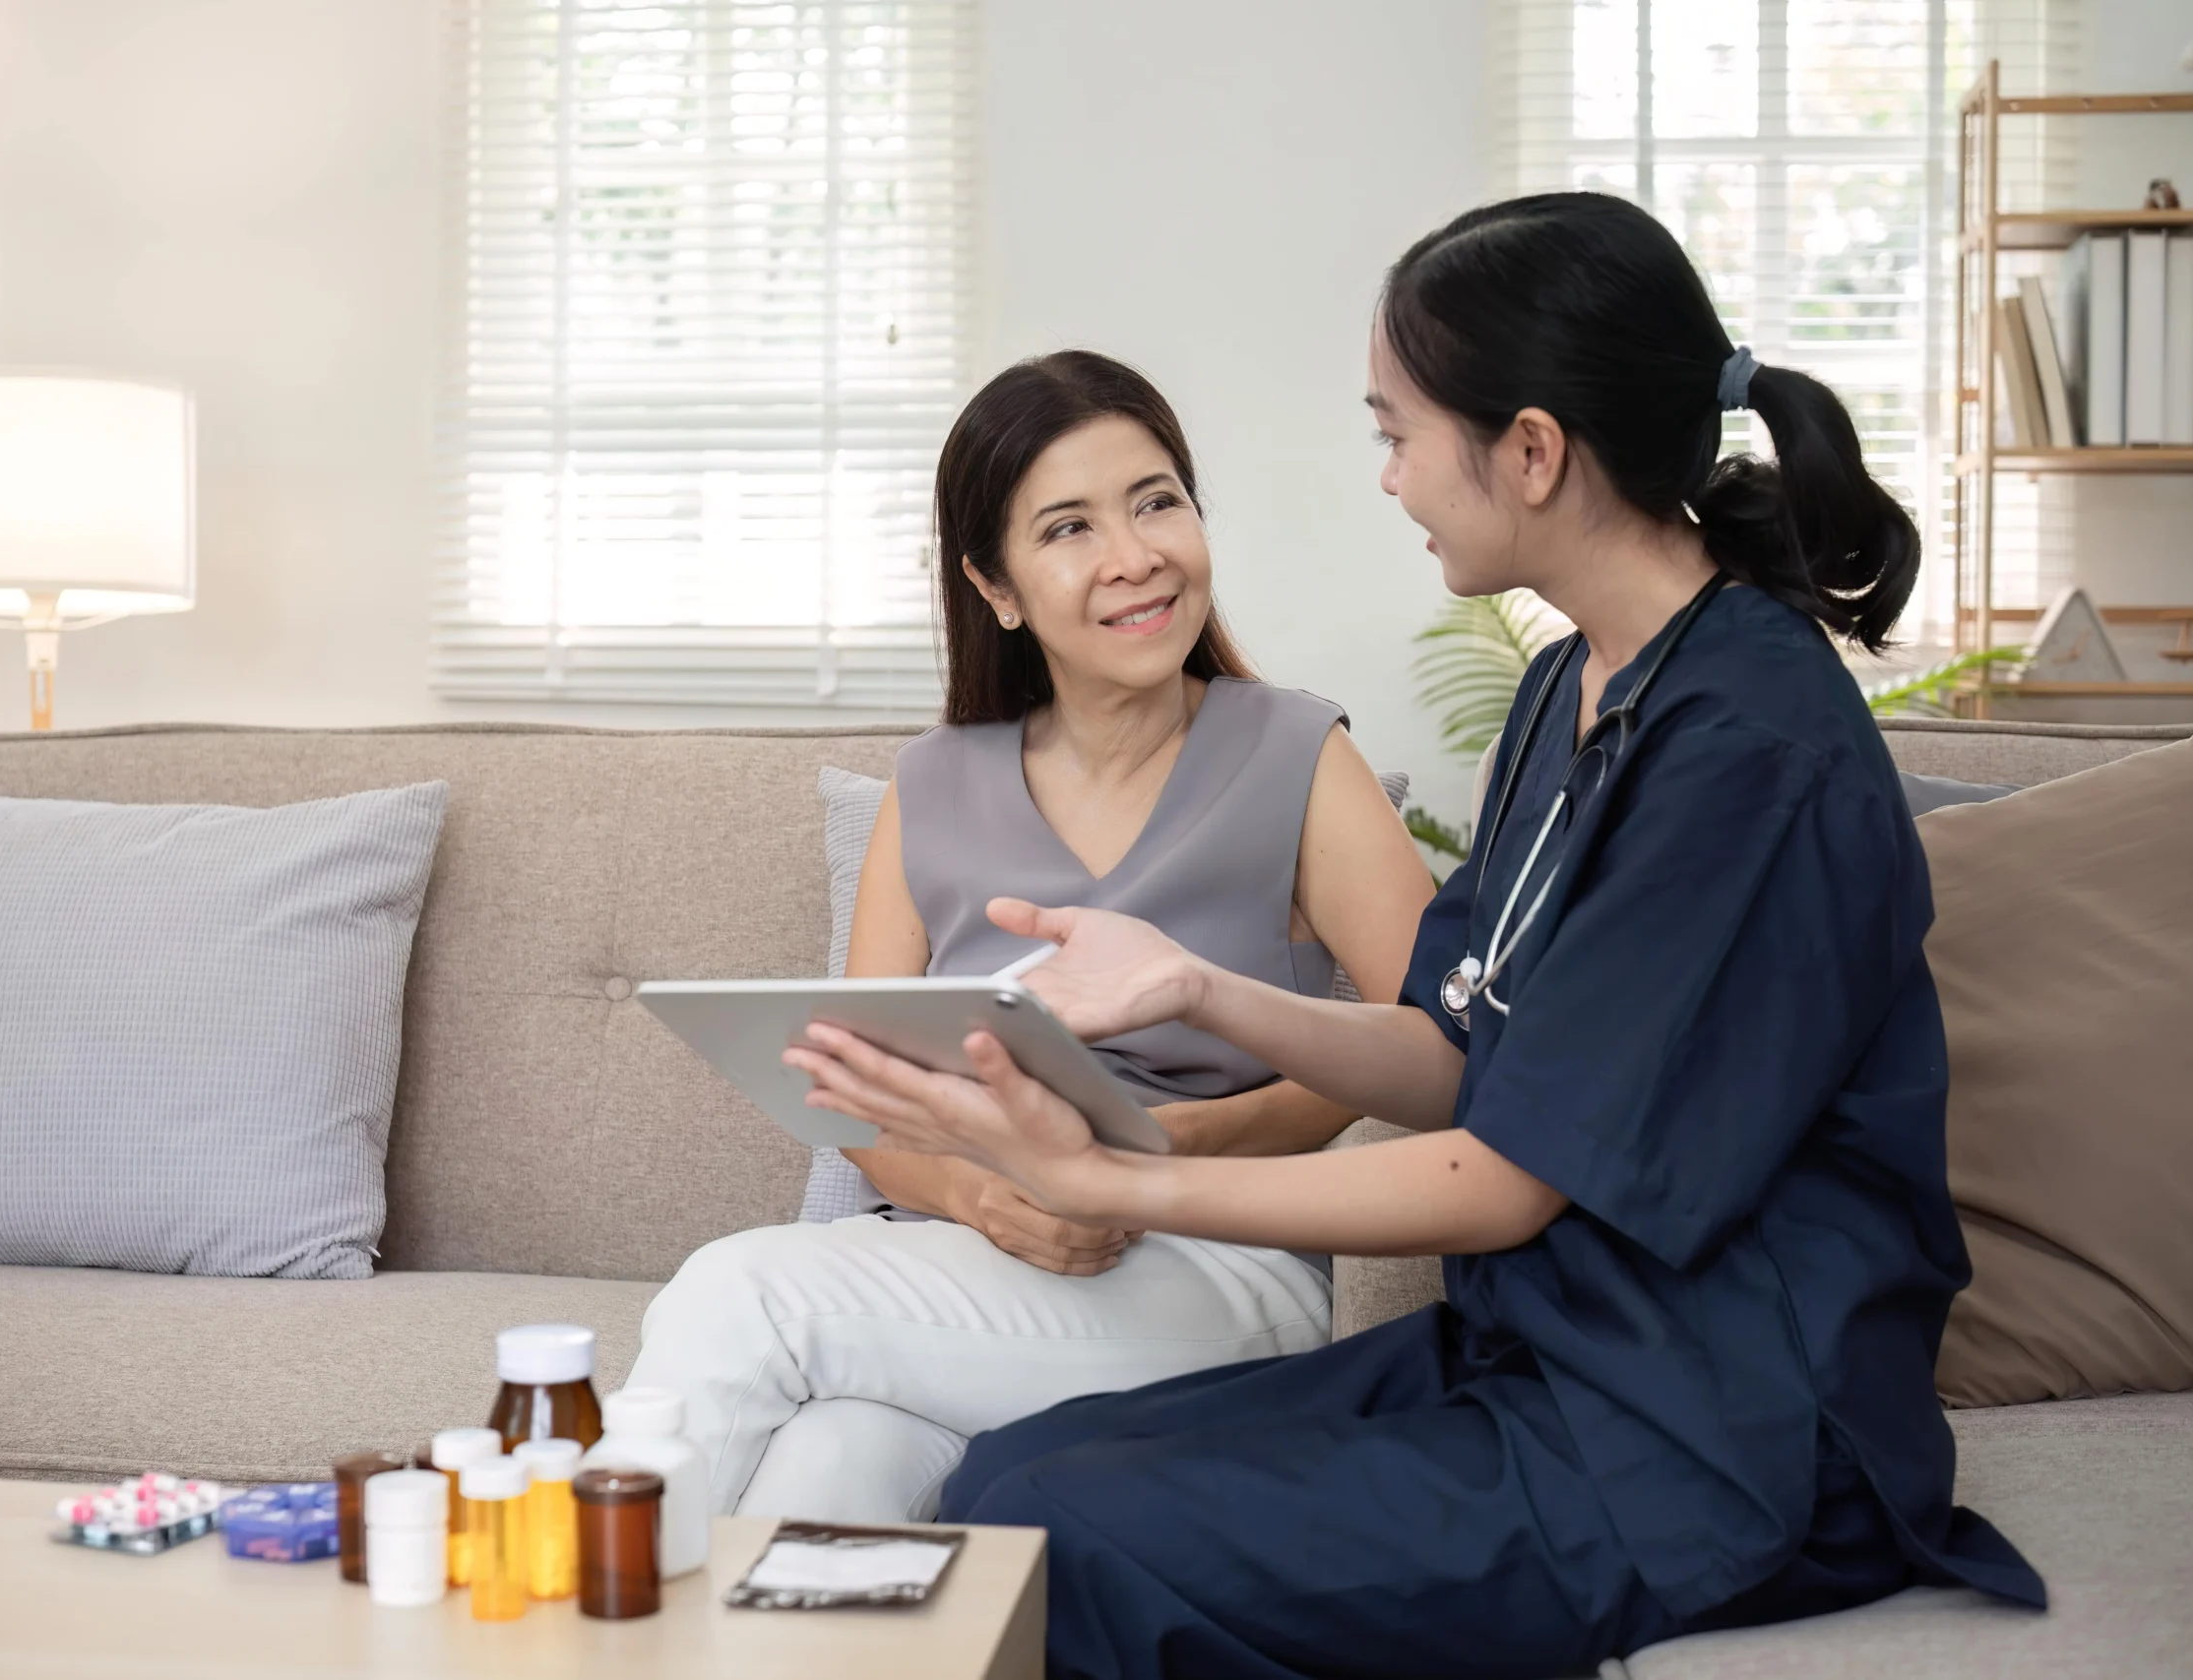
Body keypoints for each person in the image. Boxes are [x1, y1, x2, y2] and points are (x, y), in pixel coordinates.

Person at [785, 194, 2046, 1680]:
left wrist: (1117, 1173)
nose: (1386, 476)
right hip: (1541, 1362)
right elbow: (1453, 1048)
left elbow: (1503, 1181)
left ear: (1528, 449)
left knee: (1060, 1530)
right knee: (1000, 1479)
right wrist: (1204, 986)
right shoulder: (1575, 683)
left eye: (1399, 431)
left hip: (1717, 1434)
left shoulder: (1749, 750)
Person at [624, 350, 1434, 1525]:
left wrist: (1148, 1154)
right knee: (828, 1474)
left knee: (739, 1295)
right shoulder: (933, 784)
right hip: (966, 1263)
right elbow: (861, 1104)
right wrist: (989, 1199)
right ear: (995, 586)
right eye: (1068, 527)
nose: (1133, 555)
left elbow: (1438, 1046)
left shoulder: (1300, 755)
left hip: (1223, 1261)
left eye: (1156, 501)